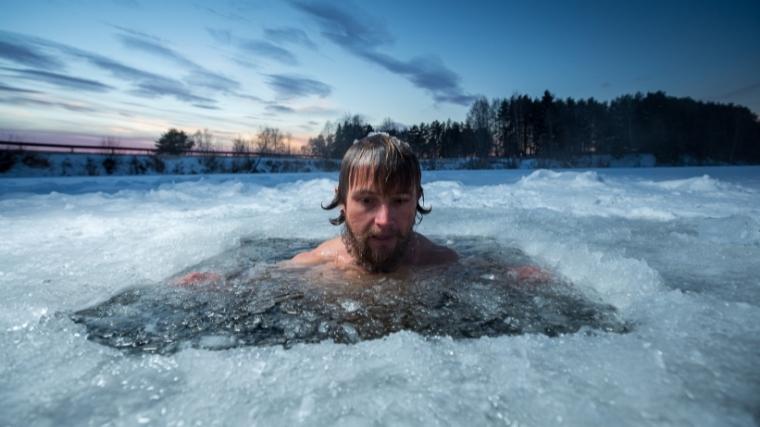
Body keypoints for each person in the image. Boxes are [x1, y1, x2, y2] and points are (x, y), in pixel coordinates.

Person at [289, 132, 458, 273]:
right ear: (342, 202)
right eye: (367, 200)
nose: (384, 221)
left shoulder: (443, 264)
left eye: (399, 201)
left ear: (416, 201)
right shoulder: (309, 268)